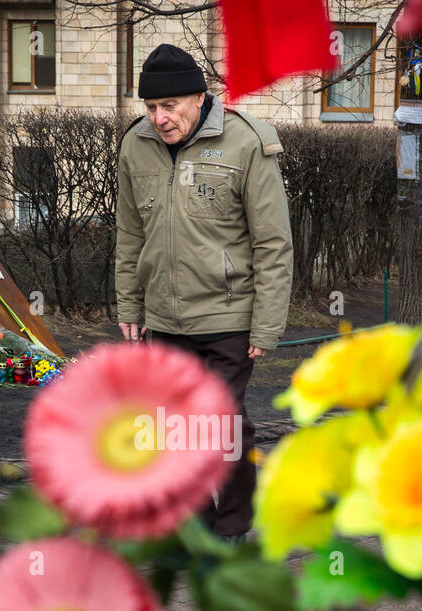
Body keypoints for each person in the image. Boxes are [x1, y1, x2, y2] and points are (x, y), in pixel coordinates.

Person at [115, 44, 293, 541]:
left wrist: (268, 323)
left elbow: (273, 241)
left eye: (169, 106)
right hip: (164, 320)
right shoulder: (135, 146)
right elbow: (130, 234)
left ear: (198, 97)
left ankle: (233, 522)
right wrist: (129, 303)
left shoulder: (246, 143)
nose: (159, 119)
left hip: (229, 318)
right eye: (151, 108)